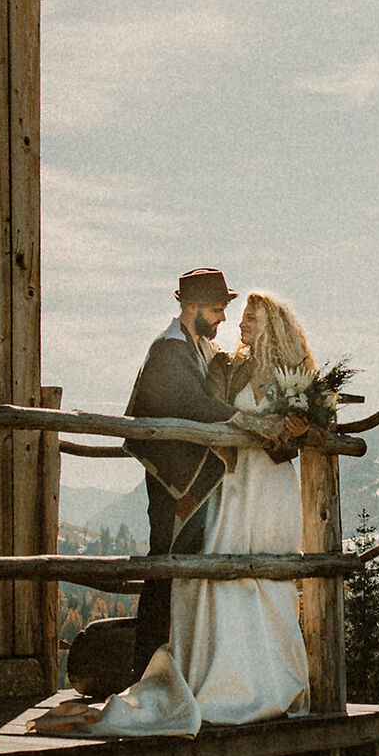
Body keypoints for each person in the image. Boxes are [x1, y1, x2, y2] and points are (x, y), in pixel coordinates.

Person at [121, 269, 300, 688]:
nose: (223, 319)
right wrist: (245, 420)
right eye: (218, 310)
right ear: (192, 307)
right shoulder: (168, 350)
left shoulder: (199, 346)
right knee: (165, 567)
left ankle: (177, 668)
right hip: (172, 481)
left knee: (182, 572)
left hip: (194, 478)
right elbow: (189, 401)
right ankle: (148, 672)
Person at [173, 291, 319, 724]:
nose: (241, 324)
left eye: (250, 317)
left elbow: (312, 430)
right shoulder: (226, 367)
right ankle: (226, 685)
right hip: (234, 483)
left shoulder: (294, 375)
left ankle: (278, 683)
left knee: (271, 575)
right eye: (241, 317)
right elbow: (213, 413)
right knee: (226, 568)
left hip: (271, 485)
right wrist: (254, 425)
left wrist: (300, 428)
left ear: (271, 323)